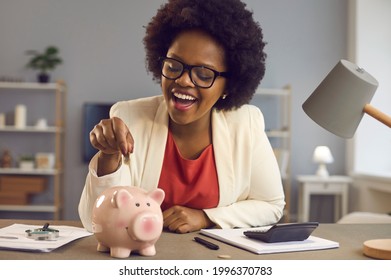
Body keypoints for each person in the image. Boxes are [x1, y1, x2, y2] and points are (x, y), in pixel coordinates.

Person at [78, 0, 285, 234]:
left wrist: (205, 218)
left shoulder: (246, 123)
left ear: (229, 85)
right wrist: (108, 156)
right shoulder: (128, 118)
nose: (183, 81)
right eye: (174, 66)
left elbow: (271, 205)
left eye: (204, 74)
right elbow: (93, 221)